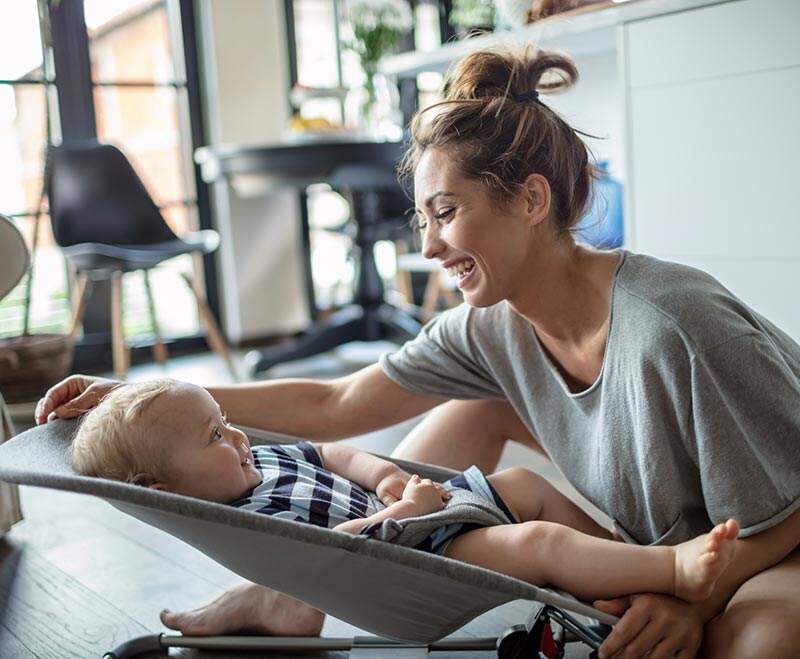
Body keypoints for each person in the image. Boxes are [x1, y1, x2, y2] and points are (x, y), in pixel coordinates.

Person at [36, 46, 800, 658]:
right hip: (661, 546)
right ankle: (307, 589)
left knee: (756, 644)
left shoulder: (676, 324)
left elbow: (787, 506)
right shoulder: (491, 327)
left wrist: (688, 595)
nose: (429, 244)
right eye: (422, 217)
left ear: (531, 202)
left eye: (446, 213)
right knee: (473, 406)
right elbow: (337, 404)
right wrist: (131, 397)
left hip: (771, 540)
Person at [71, 377, 740, 607]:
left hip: (426, 513)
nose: (238, 437)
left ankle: (619, 571)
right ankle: (670, 568)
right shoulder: (255, 516)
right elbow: (331, 554)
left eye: (227, 421)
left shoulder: (261, 463)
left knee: (526, 486)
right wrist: (402, 508)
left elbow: (328, 448)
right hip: (418, 549)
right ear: (163, 489)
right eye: (214, 436)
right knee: (536, 541)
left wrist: (382, 475)